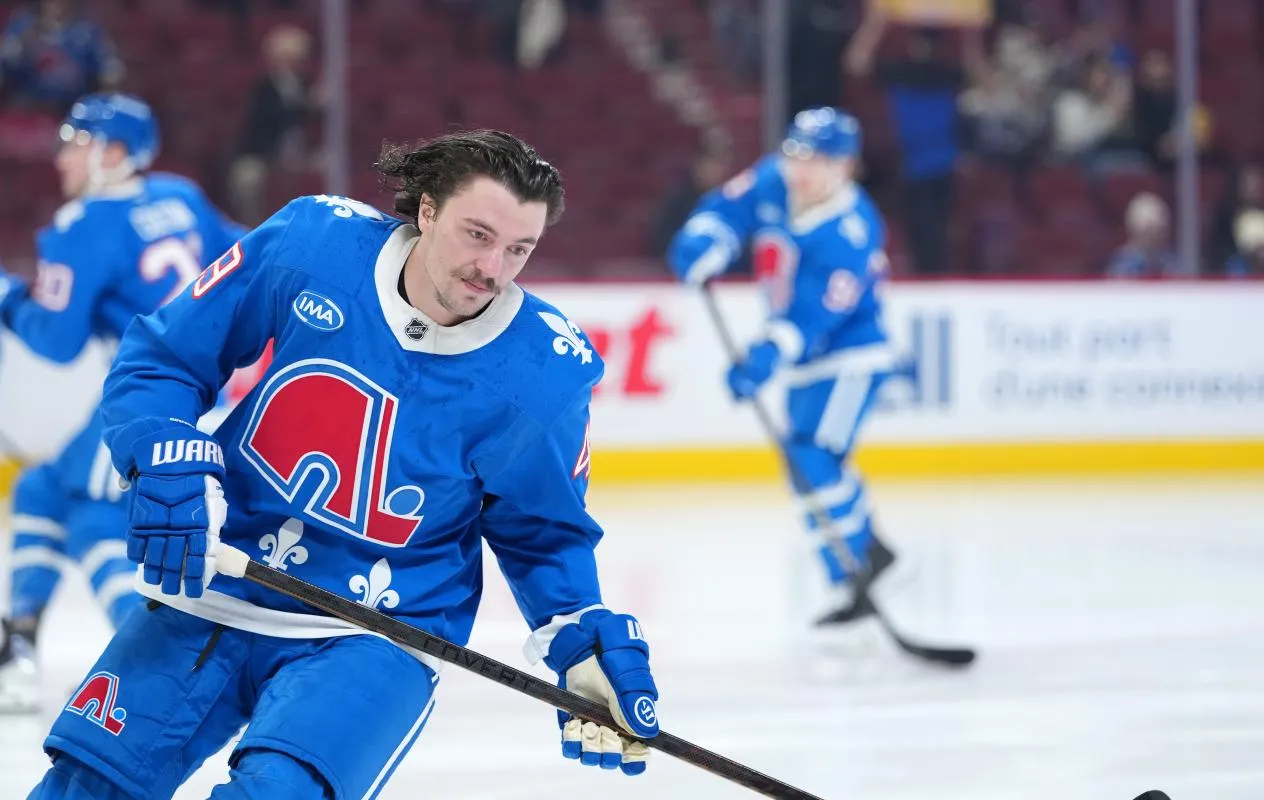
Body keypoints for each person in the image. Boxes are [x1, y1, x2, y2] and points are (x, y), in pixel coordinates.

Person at [26, 129, 660, 799]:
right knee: (82, 788)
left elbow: (543, 532)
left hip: (376, 631)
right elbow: (166, 358)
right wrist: (167, 455)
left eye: (519, 249)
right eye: (478, 234)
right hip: (220, 584)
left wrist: (576, 631)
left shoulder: (543, 373)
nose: (493, 269)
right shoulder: (313, 244)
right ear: (427, 211)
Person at [0, 92, 247, 713]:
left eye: (76, 144)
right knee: (41, 492)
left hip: (154, 397)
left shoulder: (81, 226)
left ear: (113, 153)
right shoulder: (179, 194)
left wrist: (7, 298)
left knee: (83, 509)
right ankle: (20, 645)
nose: (63, 157)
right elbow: (247, 254)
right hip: (223, 388)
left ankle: (154, 661)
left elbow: (56, 342)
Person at [668, 106, 900, 627]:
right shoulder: (777, 176)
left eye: (818, 158)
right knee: (803, 468)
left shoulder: (852, 231)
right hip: (806, 361)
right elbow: (729, 208)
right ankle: (862, 557)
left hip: (849, 358)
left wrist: (767, 353)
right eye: (796, 152)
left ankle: (857, 563)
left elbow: (814, 314)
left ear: (846, 167)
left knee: (813, 458)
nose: (801, 167)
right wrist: (707, 238)